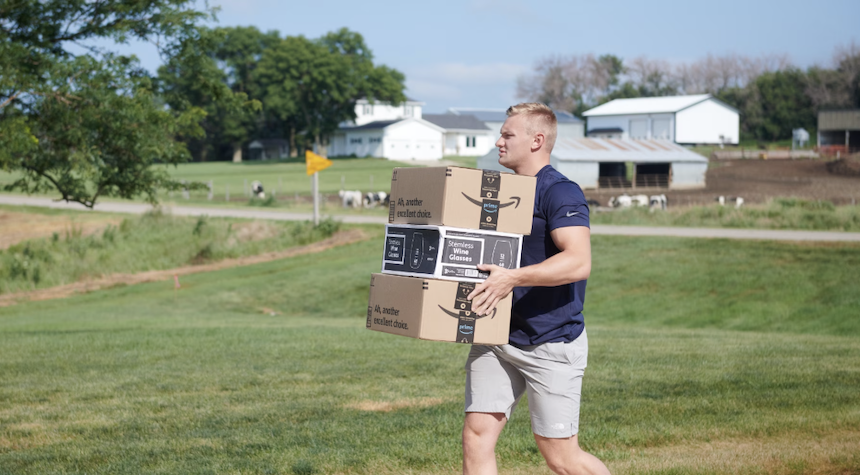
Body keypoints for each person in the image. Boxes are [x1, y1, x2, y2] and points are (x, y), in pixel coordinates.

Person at [463, 103, 610, 475]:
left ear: (536, 140)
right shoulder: (500, 192)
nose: (498, 142)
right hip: (498, 336)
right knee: (476, 436)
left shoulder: (560, 191)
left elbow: (578, 261)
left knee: (561, 458)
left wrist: (512, 278)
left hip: (551, 341)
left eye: (507, 135)